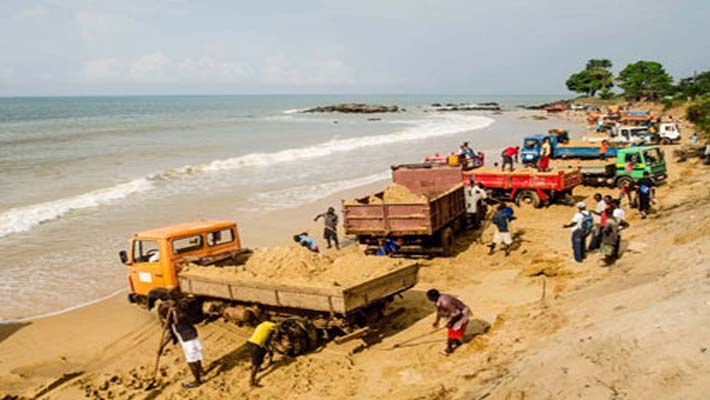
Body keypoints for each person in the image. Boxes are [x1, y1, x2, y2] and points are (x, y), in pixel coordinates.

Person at [159, 299, 204, 389]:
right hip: (194, 339)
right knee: (197, 357)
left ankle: (197, 381)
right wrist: (162, 347)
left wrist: (174, 311)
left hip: (189, 342)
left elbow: (180, 314)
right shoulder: (176, 320)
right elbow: (170, 335)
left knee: (191, 362)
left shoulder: (180, 318)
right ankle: (201, 371)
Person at [426, 289, 472, 356]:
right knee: (452, 331)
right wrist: (437, 321)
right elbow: (439, 311)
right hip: (453, 315)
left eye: (429, 297)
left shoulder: (445, 302)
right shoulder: (438, 300)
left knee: (452, 332)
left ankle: (449, 349)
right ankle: (456, 342)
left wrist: (451, 322)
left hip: (461, 314)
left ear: (433, 297)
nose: (428, 299)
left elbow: (457, 313)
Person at [246, 321, 278, 387]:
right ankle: (252, 382)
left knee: (263, 351)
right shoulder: (271, 324)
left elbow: (266, 342)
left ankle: (260, 367)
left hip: (250, 343)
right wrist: (277, 336)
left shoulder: (262, 325)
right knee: (256, 364)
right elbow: (277, 328)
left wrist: (270, 353)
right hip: (256, 345)